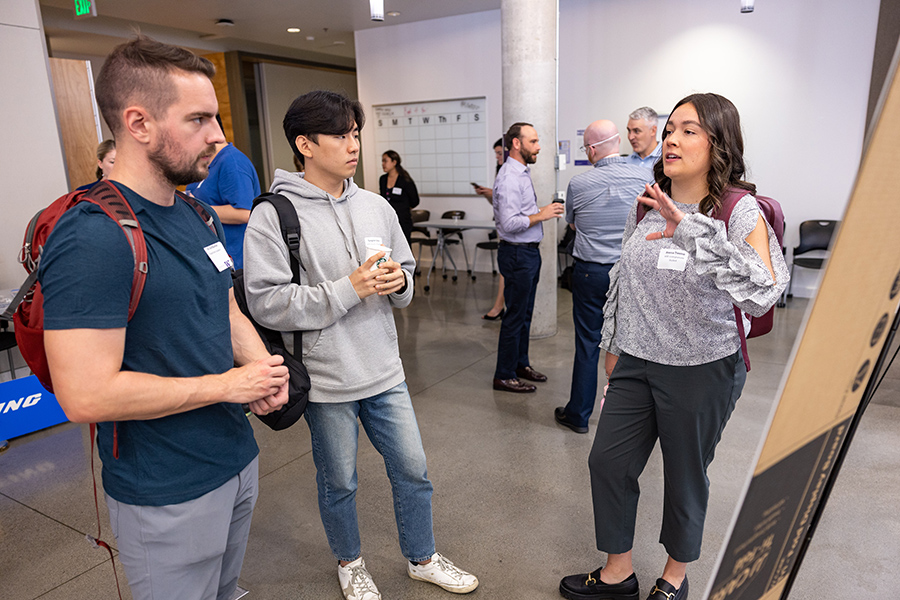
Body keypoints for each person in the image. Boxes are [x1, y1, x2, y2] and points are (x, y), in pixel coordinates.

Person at [39, 35, 290, 600]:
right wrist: (229, 385)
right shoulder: (93, 238)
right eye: (198, 119)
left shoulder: (196, 213)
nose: (219, 136)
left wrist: (261, 371)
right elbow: (85, 396)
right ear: (139, 123)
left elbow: (223, 308)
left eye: (217, 118)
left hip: (234, 458)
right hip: (165, 488)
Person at [243, 90, 478, 600]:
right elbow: (266, 302)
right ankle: (350, 563)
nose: (353, 145)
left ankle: (422, 557)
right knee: (340, 481)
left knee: (414, 469)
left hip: (385, 369)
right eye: (340, 135)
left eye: (356, 134)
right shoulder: (273, 214)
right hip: (327, 378)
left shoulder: (374, 205)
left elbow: (407, 274)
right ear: (304, 144)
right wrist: (348, 288)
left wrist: (400, 282)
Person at [559, 93, 788, 600]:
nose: (671, 140)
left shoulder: (739, 209)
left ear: (718, 142)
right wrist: (614, 343)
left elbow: (763, 289)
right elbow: (625, 274)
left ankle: (674, 578)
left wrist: (689, 231)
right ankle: (618, 571)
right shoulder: (648, 197)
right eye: (669, 131)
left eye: (689, 130)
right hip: (637, 360)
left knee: (686, 476)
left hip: (702, 366)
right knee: (608, 462)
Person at [554, 120, 653, 435]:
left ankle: (579, 415)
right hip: (630, 273)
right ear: (619, 142)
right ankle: (627, 420)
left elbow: (571, 223)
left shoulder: (579, 184)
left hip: (590, 272)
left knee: (588, 342)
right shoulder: (645, 178)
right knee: (630, 344)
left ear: (592, 149)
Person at [491, 122, 564, 393]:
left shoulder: (520, 172)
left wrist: (538, 211)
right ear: (517, 144)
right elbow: (509, 223)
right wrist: (542, 214)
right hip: (518, 255)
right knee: (514, 317)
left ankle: (520, 364)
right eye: (533, 141)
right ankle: (504, 374)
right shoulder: (510, 177)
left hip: (527, 254)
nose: (539, 146)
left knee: (525, 315)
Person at [186, 117, 261, 269]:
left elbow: (245, 212)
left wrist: (197, 208)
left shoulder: (232, 162)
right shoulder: (206, 162)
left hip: (235, 261)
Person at [475, 138, 506, 320]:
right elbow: (497, 204)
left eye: (500, 153)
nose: (497, 157)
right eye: (496, 153)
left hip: (513, 230)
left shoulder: (514, 172)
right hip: (502, 225)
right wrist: (489, 194)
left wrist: (493, 194)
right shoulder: (501, 171)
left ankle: (499, 306)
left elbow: (507, 200)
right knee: (505, 269)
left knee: (506, 270)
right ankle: (498, 306)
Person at [379, 149, 420, 243]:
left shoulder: (404, 179)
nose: (383, 164)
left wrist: (403, 208)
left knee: (403, 246)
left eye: (385, 161)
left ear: (394, 162)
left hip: (402, 219)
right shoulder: (383, 179)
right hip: (387, 220)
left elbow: (415, 201)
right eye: (382, 161)